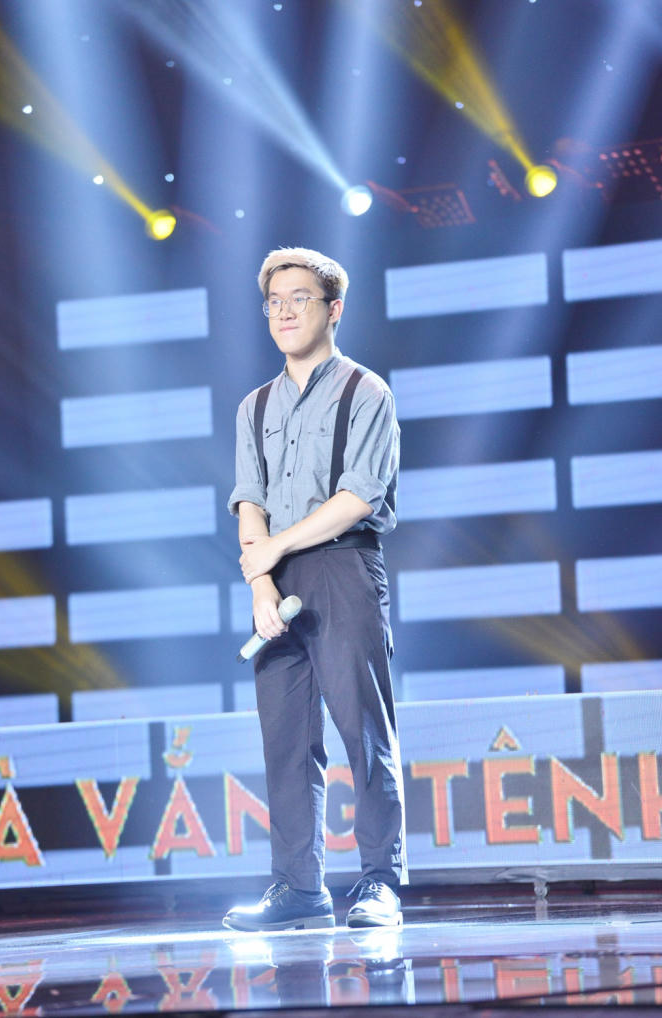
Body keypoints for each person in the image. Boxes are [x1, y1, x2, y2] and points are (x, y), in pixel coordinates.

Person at [224, 247, 407, 932]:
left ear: (334, 309)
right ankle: (299, 887)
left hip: (343, 568)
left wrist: (275, 548)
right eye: (274, 302)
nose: (284, 312)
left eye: (299, 298)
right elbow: (249, 500)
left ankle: (380, 881)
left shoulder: (367, 392)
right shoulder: (253, 407)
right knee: (286, 741)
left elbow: (360, 495)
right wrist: (260, 584)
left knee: (363, 730)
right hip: (275, 581)